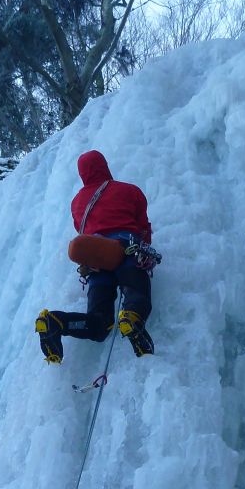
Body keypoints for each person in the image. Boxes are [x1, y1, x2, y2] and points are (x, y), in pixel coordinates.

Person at [36, 150, 155, 364]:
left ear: (83, 174)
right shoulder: (128, 190)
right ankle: (131, 317)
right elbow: (143, 227)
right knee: (137, 293)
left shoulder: (77, 202)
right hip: (125, 250)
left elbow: (83, 230)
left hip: (95, 263)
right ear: (104, 166)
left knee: (99, 325)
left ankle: (56, 322)